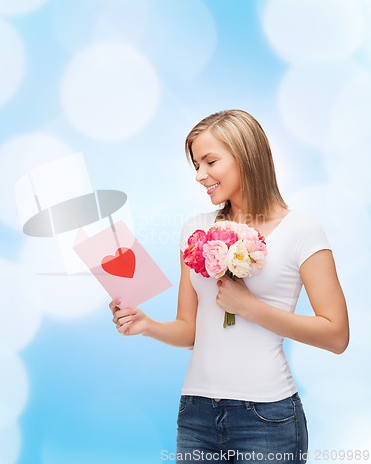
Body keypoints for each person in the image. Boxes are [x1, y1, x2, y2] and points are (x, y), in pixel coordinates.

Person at [109, 109, 349, 463]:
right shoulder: (195, 229)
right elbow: (191, 331)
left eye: (209, 162)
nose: (200, 175)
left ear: (246, 156)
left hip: (267, 416)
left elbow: (336, 335)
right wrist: (148, 326)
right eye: (195, 165)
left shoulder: (302, 230)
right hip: (196, 412)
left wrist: (251, 308)